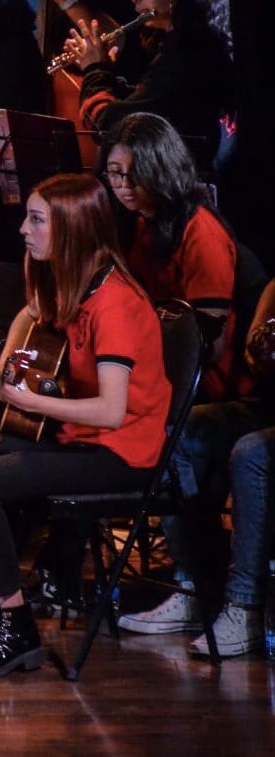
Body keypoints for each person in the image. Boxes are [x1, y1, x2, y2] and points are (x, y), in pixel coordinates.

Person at [0, 174, 171, 679]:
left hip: (119, 455)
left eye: (36, 220)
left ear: (73, 229)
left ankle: (15, 625)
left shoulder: (116, 302)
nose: (23, 231)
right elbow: (29, 313)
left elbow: (111, 412)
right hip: (71, 442)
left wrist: (29, 399)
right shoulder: (73, 281)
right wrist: (9, 363)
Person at [117, 279, 274, 657]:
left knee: (252, 453)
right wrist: (262, 350)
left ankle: (245, 606)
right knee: (180, 432)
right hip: (265, 405)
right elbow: (256, 362)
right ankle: (195, 587)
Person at [61, 0, 236, 170]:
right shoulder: (199, 45)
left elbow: (108, 126)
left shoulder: (187, 56)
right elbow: (151, 101)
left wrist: (94, 68)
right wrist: (106, 74)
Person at [98, 113, 240, 400]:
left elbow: (208, 346)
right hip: (147, 364)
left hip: (193, 386)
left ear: (162, 168)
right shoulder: (135, 220)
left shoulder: (202, 234)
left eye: (137, 173)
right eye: (115, 172)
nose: (125, 184)